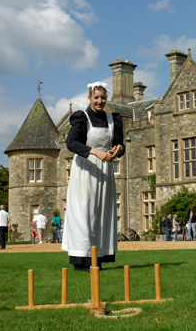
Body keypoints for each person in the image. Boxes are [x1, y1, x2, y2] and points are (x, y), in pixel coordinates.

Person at [62, 81, 125, 272]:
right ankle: (83, 260)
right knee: (85, 212)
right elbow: (71, 143)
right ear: (89, 97)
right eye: (96, 97)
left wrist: (117, 150)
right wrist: (95, 152)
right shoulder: (81, 118)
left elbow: (120, 145)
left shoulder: (113, 119)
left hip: (105, 170)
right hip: (85, 169)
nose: (100, 101)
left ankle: (98, 258)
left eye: (103, 98)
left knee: (102, 213)